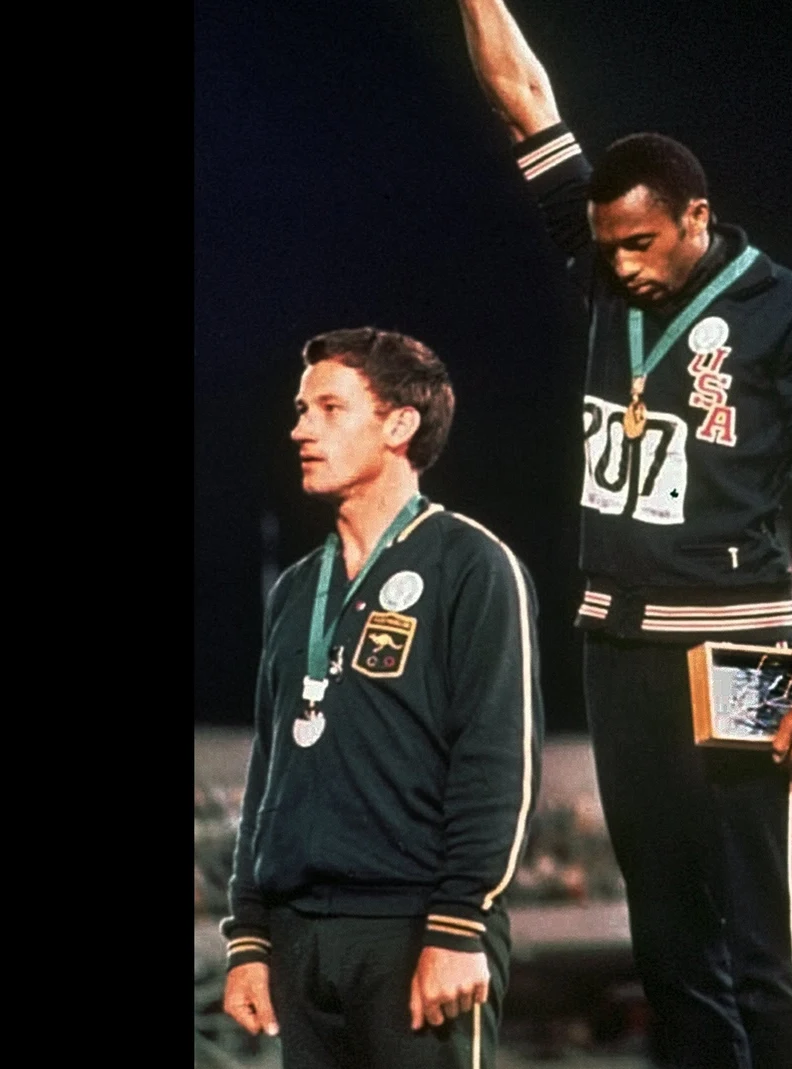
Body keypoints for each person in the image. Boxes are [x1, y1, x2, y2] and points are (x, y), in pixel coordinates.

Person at [457, 3, 792, 1067]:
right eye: (609, 246)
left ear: (696, 215)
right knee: (671, 947)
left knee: (767, 945)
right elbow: (524, 101)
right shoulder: (602, 264)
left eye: (642, 241)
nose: (624, 266)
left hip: (744, 648)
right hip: (617, 647)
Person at [221, 327, 544, 1069]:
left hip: (415, 930)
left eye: (329, 408)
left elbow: (498, 761)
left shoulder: (473, 564)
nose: (300, 428)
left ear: (399, 425)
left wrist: (459, 924)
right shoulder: (298, 587)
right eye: (302, 410)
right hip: (301, 941)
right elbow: (269, 770)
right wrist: (251, 935)